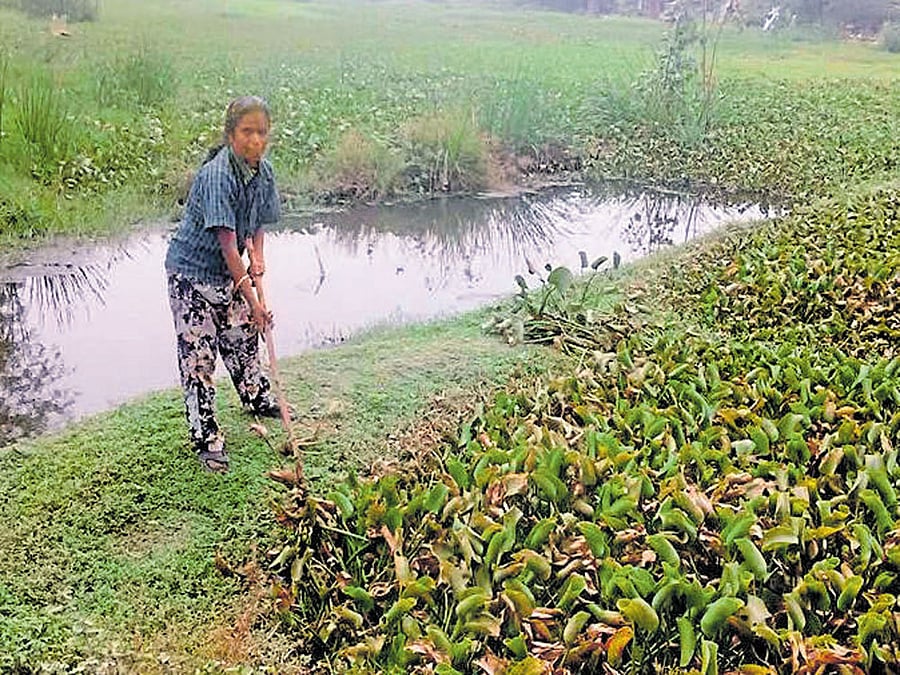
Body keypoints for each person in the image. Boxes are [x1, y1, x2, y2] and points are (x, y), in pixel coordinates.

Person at [164, 95, 282, 473]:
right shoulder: (217, 176)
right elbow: (230, 251)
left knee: (243, 336)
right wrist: (255, 301)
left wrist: (259, 257)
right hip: (193, 275)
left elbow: (259, 221)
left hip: (229, 275)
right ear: (231, 134)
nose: (255, 140)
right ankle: (206, 437)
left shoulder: (263, 172)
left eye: (261, 132)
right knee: (199, 357)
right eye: (247, 132)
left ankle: (257, 396)